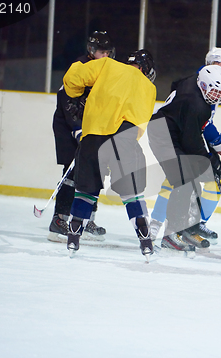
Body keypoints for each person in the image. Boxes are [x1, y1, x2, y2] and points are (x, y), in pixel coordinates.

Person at [62, 49, 157, 258]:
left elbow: (73, 77)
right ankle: (145, 238)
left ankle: (74, 235)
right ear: (144, 69)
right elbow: (140, 126)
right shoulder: (150, 89)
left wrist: (77, 93)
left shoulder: (108, 65)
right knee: (132, 192)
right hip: (124, 141)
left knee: (86, 190)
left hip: (93, 138)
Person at [148, 47, 221, 245]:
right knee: (185, 180)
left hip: (172, 131)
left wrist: (217, 144)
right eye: (214, 91)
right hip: (163, 135)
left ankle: (184, 227)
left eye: (220, 92)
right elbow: (192, 140)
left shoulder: (198, 83)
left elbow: (196, 129)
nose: (217, 96)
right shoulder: (196, 103)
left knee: (189, 179)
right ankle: (172, 231)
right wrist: (209, 159)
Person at [49, 31, 116, 242]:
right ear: (91, 51)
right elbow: (67, 102)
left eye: (107, 52)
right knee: (72, 172)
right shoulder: (79, 67)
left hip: (90, 125)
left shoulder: (107, 69)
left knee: (93, 171)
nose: (105, 55)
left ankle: (86, 220)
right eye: (101, 52)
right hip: (68, 125)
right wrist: (77, 128)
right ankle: (59, 220)